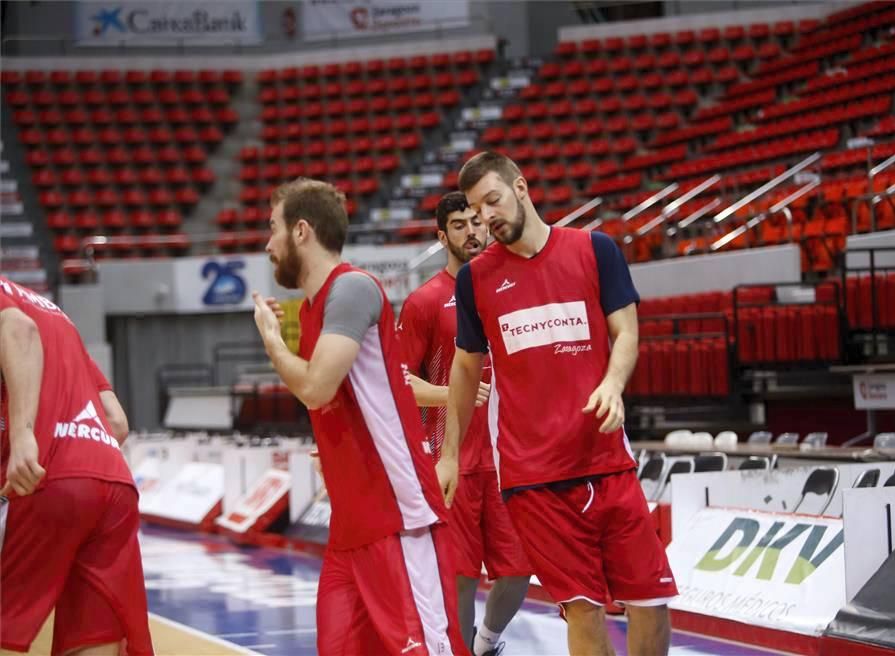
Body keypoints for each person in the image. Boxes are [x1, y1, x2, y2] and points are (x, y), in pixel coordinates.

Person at [437, 152, 678, 656]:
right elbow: (464, 368)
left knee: (651, 602)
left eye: (493, 201)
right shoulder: (476, 280)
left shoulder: (596, 250)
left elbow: (626, 330)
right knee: (583, 606)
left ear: (521, 187)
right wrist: (450, 452)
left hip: (608, 459)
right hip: (533, 477)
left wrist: (613, 383)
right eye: (477, 211)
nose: (487, 218)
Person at [252, 178, 469, 656]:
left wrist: (271, 341)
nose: (268, 244)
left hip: (396, 515)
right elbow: (338, 402)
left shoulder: (350, 289)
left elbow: (315, 387)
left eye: (273, 229)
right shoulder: (313, 308)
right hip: (350, 524)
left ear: (302, 231)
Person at [399, 192, 531, 656]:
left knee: (519, 569)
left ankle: (486, 643)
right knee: (459, 578)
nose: (472, 231)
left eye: (476, 221)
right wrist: (451, 394)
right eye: (459, 225)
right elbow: (399, 384)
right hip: (451, 463)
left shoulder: (511, 287)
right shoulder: (424, 302)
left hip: (509, 462)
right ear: (442, 236)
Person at [0, 276, 153, 656]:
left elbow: (19, 330)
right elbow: (116, 421)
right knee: (90, 636)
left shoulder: (13, 309)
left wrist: (23, 436)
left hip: (45, 477)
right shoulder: (55, 313)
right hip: (111, 481)